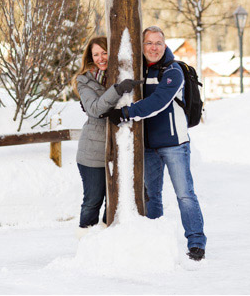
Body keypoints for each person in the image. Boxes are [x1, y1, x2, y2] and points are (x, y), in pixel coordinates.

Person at [108, 25, 206, 261]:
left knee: (184, 194)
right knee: (152, 195)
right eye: (149, 43)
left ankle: (196, 242)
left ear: (165, 45)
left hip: (175, 144)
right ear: (142, 47)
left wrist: (126, 113)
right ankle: (156, 241)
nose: (153, 48)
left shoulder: (174, 71)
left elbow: (159, 102)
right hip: (149, 145)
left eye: (158, 43)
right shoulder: (139, 69)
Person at [73, 36, 141, 229]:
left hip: (119, 148)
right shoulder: (84, 81)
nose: (101, 58)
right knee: (93, 200)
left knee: (114, 199)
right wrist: (117, 90)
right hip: (92, 151)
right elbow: (95, 109)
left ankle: (104, 241)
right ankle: (85, 241)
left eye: (104, 52)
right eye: (96, 54)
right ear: (90, 57)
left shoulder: (119, 74)